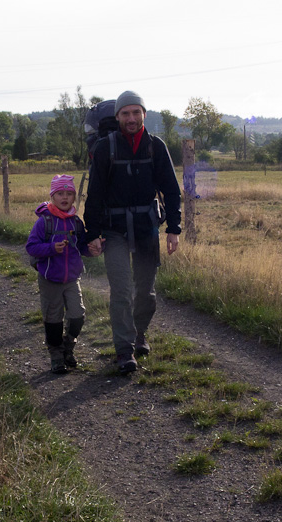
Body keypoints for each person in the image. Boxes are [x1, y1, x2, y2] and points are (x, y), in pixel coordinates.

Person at [83, 90, 182, 373]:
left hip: (146, 227)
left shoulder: (156, 146)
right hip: (113, 229)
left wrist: (173, 229)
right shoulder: (105, 148)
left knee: (146, 292)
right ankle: (124, 350)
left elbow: (171, 190)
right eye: (125, 113)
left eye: (136, 112)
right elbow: (95, 194)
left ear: (144, 114)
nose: (131, 118)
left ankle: (140, 334)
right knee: (122, 290)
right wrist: (92, 233)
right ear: (117, 117)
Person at [26, 174, 93, 375]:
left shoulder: (76, 222)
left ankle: (68, 347)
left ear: (74, 197)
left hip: (72, 279)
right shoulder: (44, 222)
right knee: (53, 319)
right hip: (49, 279)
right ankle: (56, 356)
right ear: (52, 196)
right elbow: (31, 247)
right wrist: (51, 248)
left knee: (78, 315)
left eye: (69, 194)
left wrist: (94, 248)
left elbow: (82, 246)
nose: (65, 197)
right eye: (60, 194)